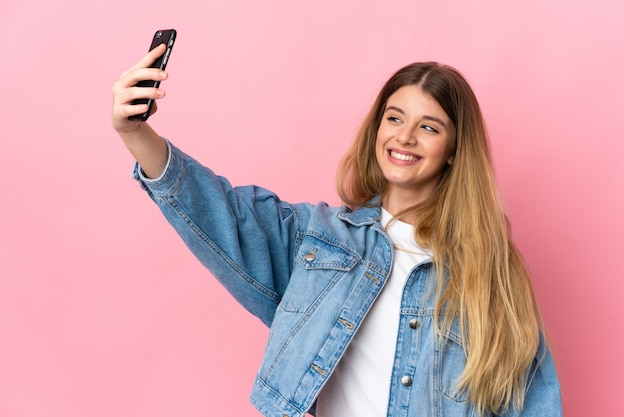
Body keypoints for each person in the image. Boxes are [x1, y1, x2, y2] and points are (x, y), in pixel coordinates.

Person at [111, 44, 563, 417]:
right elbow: (222, 214)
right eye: (394, 117)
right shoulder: (321, 240)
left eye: (428, 127)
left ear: (452, 152)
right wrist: (135, 133)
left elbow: (531, 402)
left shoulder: (490, 275)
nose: (404, 137)